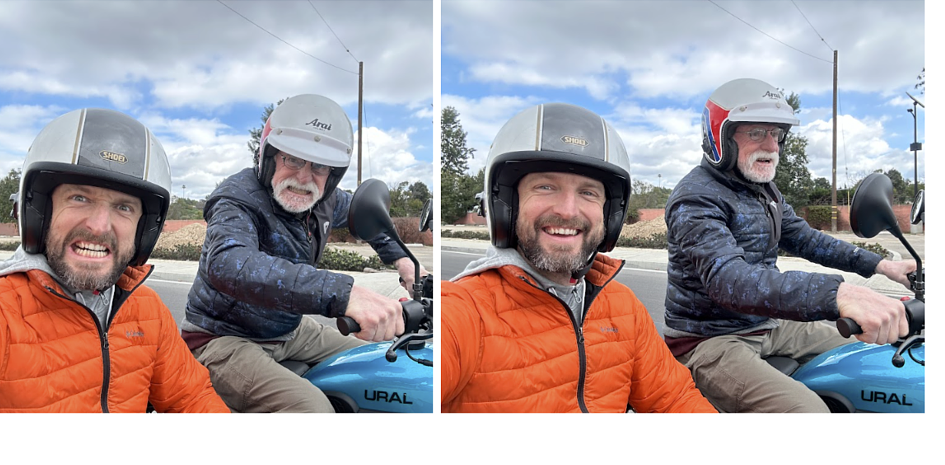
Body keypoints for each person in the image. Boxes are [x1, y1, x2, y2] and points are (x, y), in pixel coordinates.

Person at [441, 102, 716, 413]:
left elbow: (676, 400)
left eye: (588, 193)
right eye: (545, 186)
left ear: (609, 217)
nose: (568, 210)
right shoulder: (465, 310)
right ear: (506, 205)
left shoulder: (623, 308)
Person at [664, 78, 916, 413]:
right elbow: (729, 280)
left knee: (869, 356)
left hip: (766, 323)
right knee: (808, 414)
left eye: (777, 134)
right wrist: (838, 294)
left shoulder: (765, 192)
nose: (772, 145)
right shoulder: (695, 198)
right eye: (756, 133)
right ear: (720, 137)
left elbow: (807, 239)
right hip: (710, 339)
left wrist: (882, 265)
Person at [0, 108, 228, 413]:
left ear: (143, 231)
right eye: (80, 197)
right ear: (40, 211)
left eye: (124, 207)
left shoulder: (147, 311)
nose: (100, 226)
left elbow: (193, 399)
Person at [182, 93, 426, 413]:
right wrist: (344, 294)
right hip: (223, 338)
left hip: (288, 330)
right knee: (313, 410)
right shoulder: (237, 197)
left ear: (332, 174)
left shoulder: (325, 199)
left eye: (320, 166)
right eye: (293, 159)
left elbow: (367, 219)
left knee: (384, 360)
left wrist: (405, 264)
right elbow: (230, 263)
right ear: (269, 157)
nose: (304, 177)